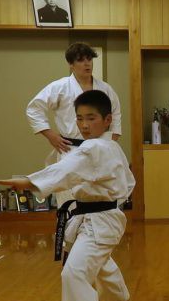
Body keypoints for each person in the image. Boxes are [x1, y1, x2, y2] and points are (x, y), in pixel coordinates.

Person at [0, 90, 135, 301]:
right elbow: (128, 182)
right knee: (102, 263)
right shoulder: (109, 147)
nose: (84, 125)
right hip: (101, 217)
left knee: (75, 272)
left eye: (91, 118)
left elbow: (69, 168)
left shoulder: (94, 148)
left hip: (100, 219)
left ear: (107, 120)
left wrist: (29, 182)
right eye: (80, 118)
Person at [26, 42, 122, 202]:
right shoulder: (60, 87)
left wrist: (109, 143)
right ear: (71, 64)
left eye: (89, 59)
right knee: (69, 201)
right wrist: (50, 135)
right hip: (70, 149)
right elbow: (34, 109)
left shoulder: (105, 89)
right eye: (81, 60)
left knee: (101, 199)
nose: (87, 63)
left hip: (99, 151)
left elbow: (116, 116)